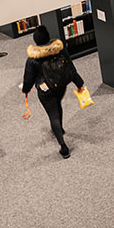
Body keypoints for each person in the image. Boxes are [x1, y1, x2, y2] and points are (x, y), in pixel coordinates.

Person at [22, 25, 87, 159]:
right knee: (58, 105)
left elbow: (28, 78)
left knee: (53, 115)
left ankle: (63, 147)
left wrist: (26, 90)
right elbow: (70, 67)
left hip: (45, 90)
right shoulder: (59, 50)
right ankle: (60, 129)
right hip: (60, 86)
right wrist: (79, 83)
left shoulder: (32, 58)